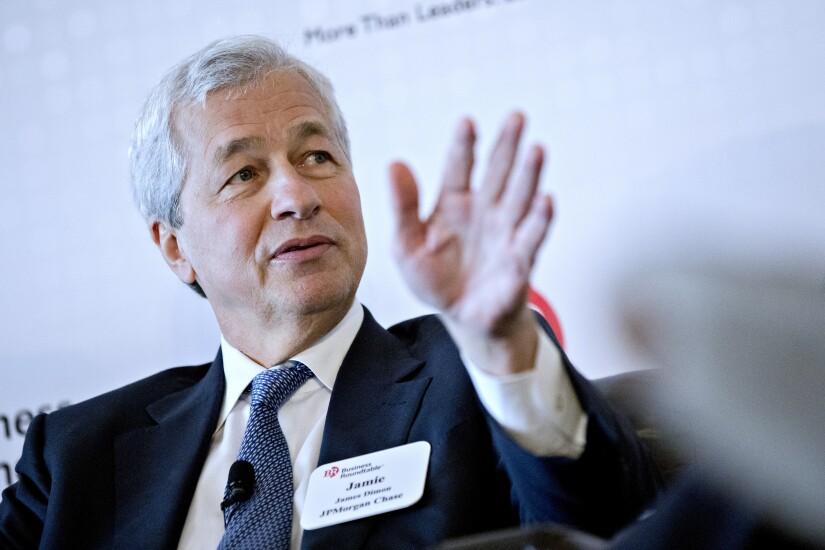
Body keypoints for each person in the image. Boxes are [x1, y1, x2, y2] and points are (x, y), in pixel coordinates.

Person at [0, 35, 660, 549]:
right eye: (243, 174)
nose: (297, 196)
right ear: (174, 246)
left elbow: (607, 528)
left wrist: (501, 344)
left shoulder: (474, 375)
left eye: (316, 157)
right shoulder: (73, 458)